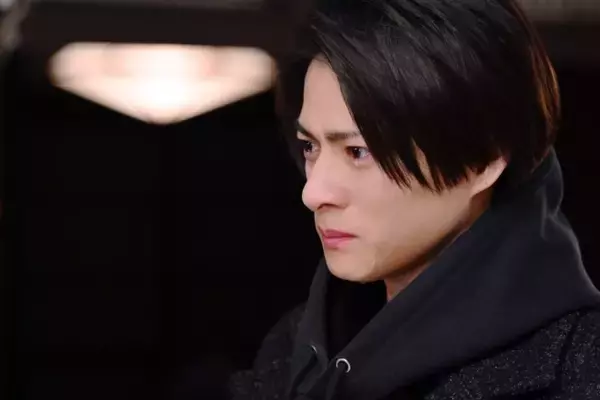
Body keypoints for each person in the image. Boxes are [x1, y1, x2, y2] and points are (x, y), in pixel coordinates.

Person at [230, 0, 600, 399]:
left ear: (483, 160)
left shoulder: (578, 369)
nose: (313, 192)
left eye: (358, 152)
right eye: (310, 147)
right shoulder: (294, 352)